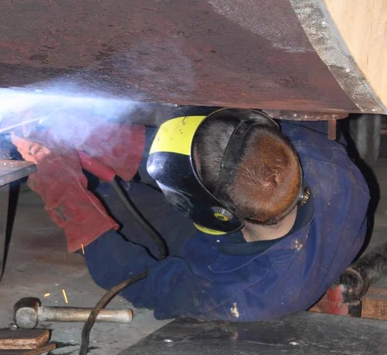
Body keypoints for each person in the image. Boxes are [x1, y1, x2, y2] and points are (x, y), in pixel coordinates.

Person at [83, 109, 370, 321]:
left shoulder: (244, 291)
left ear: (220, 215)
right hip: (263, 221)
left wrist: (75, 211)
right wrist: (121, 145)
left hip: (226, 257)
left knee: (110, 208)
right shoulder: (324, 158)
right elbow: (226, 148)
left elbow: (151, 286)